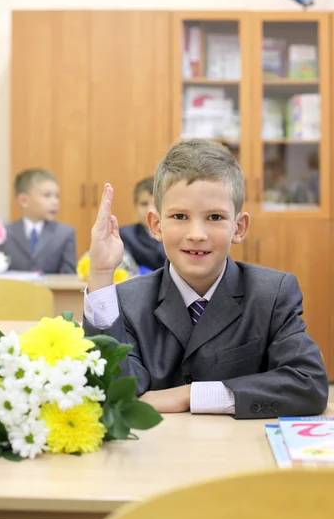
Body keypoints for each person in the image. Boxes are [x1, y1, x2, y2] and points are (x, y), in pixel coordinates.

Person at [83, 139, 328, 418]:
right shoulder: (127, 301)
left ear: (239, 227)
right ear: (156, 225)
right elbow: (110, 392)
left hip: (242, 455)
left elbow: (308, 384)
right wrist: (101, 275)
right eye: (179, 216)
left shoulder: (271, 295)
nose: (196, 234)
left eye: (214, 217)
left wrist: (192, 395)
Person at [1, 168, 76, 274]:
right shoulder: (5, 233)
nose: (55, 202)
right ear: (24, 200)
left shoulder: (65, 233)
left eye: (57, 196)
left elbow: (69, 275)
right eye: (47, 196)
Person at [119, 177, 166, 272]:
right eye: (144, 204)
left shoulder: (175, 232)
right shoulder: (126, 235)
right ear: (135, 205)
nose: (150, 210)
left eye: (156, 204)